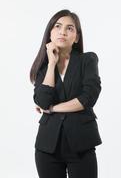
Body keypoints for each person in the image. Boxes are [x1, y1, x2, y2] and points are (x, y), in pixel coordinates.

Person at [30, 9, 102, 178]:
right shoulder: (43, 68)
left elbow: (88, 98)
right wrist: (51, 63)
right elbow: (42, 101)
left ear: (76, 37)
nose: (63, 31)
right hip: (47, 148)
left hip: (81, 145)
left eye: (70, 28)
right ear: (50, 33)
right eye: (58, 26)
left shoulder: (88, 60)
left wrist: (53, 108)